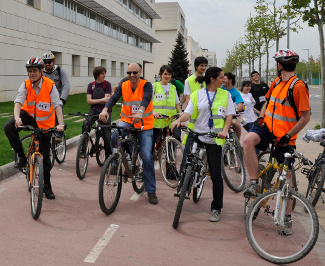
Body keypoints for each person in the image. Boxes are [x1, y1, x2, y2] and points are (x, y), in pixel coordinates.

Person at [243, 49, 310, 235]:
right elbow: (268, 101)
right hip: (267, 128)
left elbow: (306, 118)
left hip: (285, 136)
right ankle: (254, 182)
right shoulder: (276, 82)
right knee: (248, 140)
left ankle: (286, 217)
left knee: (286, 178)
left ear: (279, 65)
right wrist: (262, 117)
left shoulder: (297, 87)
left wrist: (288, 136)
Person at [171, 67, 235, 222]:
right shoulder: (197, 94)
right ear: (212, 79)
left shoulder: (225, 95)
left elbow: (229, 116)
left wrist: (225, 131)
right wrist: (179, 120)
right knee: (186, 161)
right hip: (197, 134)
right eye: (221, 77)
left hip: (214, 138)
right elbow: (188, 113)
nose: (224, 80)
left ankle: (216, 208)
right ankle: (183, 186)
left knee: (215, 174)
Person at [4, 57, 65, 199]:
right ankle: (21, 157)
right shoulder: (25, 85)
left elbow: (57, 105)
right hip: (29, 114)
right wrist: (17, 117)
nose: (32, 73)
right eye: (30, 71)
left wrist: (60, 123)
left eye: (35, 71)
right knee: (9, 127)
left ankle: (47, 186)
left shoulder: (50, 85)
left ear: (41, 71)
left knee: (45, 157)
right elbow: (18, 101)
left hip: (45, 123)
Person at [99, 62, 158, 205]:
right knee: (114, 134)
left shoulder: (146, 85)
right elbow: (114, 98)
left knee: (146, 156)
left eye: (134, 73)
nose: (131, 75)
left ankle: (151, 191)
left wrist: (140, 112)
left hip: (144, 124)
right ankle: (118, 158)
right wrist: (105, 110)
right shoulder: (124, 85)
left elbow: (146, 98)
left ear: (140, 72)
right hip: (127, 120)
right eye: (129, 73)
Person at [82, 66, 112, 159]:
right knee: (85, 125)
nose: (104, 75)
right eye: (102, 74)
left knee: (107, 135)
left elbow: (107, 101)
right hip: (93, 110)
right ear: (97, 75)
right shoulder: (91, 85)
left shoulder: (107, 84)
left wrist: (95, 100)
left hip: (105, 111)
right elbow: (88, 101)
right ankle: (83, 150)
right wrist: (102, 99)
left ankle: (108, 158)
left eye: (104, 73)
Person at [152, 65, 182, 153]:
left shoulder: (173, 88)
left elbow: (177, 104)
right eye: (165, 74)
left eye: (169, 74)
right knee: (151, 144)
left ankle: (170, 164)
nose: (167, 76)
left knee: (171, 143)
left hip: (170, 120)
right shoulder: (154, 86)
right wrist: (153, 112)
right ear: (160, 75)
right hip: (156, 121)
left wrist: (180, 112)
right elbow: (148, 102)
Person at [42, 52, 70, 139]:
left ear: (53, 61)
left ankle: (59, 136)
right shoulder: (41, 72)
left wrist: (62, 99)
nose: (47, 64)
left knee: (58, 118)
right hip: (46, 100)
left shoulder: (60, 71)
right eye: (45, 62)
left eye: (49, 62)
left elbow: (66, 86)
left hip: (58, 99)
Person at [221, 72, 244, 139]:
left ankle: (237, 144)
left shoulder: (236, 92)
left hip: (230, 114)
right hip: (219, 112)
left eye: (224, 79)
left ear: (230, 80)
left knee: (237, 125)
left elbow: (240, 106)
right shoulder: (219, 88)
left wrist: (235, 110)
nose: (222, 80)